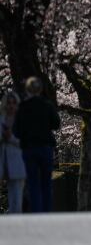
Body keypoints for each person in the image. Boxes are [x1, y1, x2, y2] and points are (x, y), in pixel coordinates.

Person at [14, 77, 60, 213]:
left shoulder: (22, 107)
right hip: (45, 147)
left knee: (33, 182)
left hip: (29, 148)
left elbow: (16, 131)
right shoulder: (47, 105)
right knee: (46, 181)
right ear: (40, 90)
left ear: (27, 90)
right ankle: (47, 211)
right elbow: (56, 124)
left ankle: (36, 211)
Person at [1, 90, 26, 213]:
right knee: (11, 196)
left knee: (16, 195)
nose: (11, 106)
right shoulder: (1, 119)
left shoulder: (21, 121)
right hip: (3, 162)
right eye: (9, 103)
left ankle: (15, 220)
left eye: (13, 103)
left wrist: (10, 138)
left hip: (17, 162)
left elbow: (25, 142)